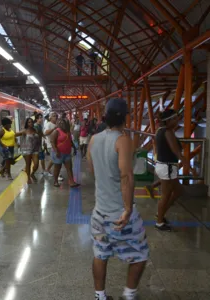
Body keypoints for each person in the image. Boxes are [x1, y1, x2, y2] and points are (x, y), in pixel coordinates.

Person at [87, 98, 149, 300]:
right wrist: (128, 209)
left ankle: (100, 296)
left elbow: (92, 170)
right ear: (125, 117)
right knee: (140, 255)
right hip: (119, 215)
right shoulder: (123, 140)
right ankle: (129, 295)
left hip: (99, 213)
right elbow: (126, 176)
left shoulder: (94, 139)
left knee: (100, 254)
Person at [154, 109, 187, 231]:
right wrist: (187, 164)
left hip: (165, 166)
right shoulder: (168, 132)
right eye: (175, 118)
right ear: (169, 121)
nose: (177, 120)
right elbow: (176, 151)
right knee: (166, 195)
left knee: (178, 191)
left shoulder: (161, 131)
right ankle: (159, 222)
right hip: (167, 167)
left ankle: (160, 214)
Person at [50, 118, 80, 188]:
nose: (61, 124)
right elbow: (52, 142)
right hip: (58, 153)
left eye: (63, 123)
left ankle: (72, 182)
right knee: (58, 167)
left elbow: (70, 141)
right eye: (60, 123)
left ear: (66, 124)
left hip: (67, 153)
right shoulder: (56, 131)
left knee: (69, 168)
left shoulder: (68, 132)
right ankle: (55, 181)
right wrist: (56, 151)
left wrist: (75, 148)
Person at [43, 112, 63, 181]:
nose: (56, 117)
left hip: (55, 145)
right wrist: (54, 128)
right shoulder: (49, 124)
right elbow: (45, 133)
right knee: (56, 160)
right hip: (50, 145)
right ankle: (57, 175)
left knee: (53, 159)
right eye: (54, 116)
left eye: (56, 116)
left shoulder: (56, 124)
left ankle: (47, 170)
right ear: (50, 117)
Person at [20, 118, 40, 184]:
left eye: (31, 122)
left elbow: (39, 137)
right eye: (29, 122)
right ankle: (28, 178)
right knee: (28, 165)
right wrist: (16, 143)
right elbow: (15, 135)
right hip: (26, 150)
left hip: (35, 150)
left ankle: (32, 173)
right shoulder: (24, 131)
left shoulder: (35, 130)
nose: (30, 123)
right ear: (27, 123)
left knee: (36, 164)